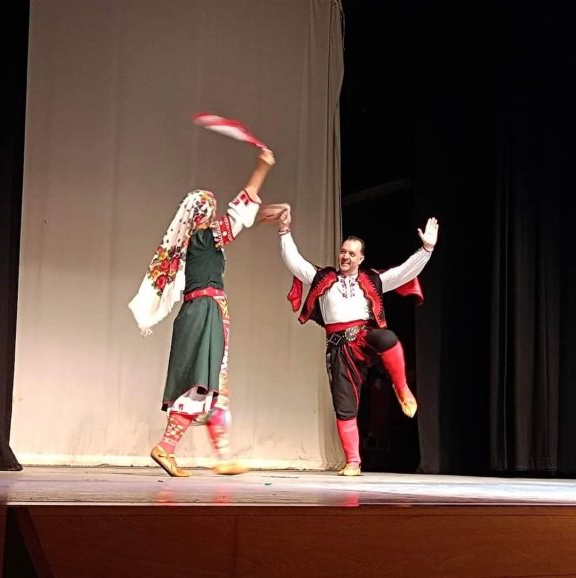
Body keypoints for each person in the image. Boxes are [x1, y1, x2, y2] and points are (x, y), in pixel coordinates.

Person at [129, 148, 275, 477]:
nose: (216, 214)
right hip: (205, 313)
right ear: (202, 215)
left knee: (215, 386)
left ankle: (222, 455)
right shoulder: (204, 238)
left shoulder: (189, 245)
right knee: (201, 384)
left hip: (199, 312)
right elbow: (240, 210)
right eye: (211, 209)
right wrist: (262, 168)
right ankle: (166, 448)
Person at [276, 208, 438, 476]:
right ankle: (353, 461)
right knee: (345, 405)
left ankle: (402, 389)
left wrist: (426, 250)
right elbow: (294, 261)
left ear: (361, 258)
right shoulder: (323, 278)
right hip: (339, 347)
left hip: (363, 338)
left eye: (352, 253)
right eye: (343, 252)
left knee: (387, 337)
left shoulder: (372, 280)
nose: (345, 256)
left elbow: (404, 272)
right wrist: (284, 232)